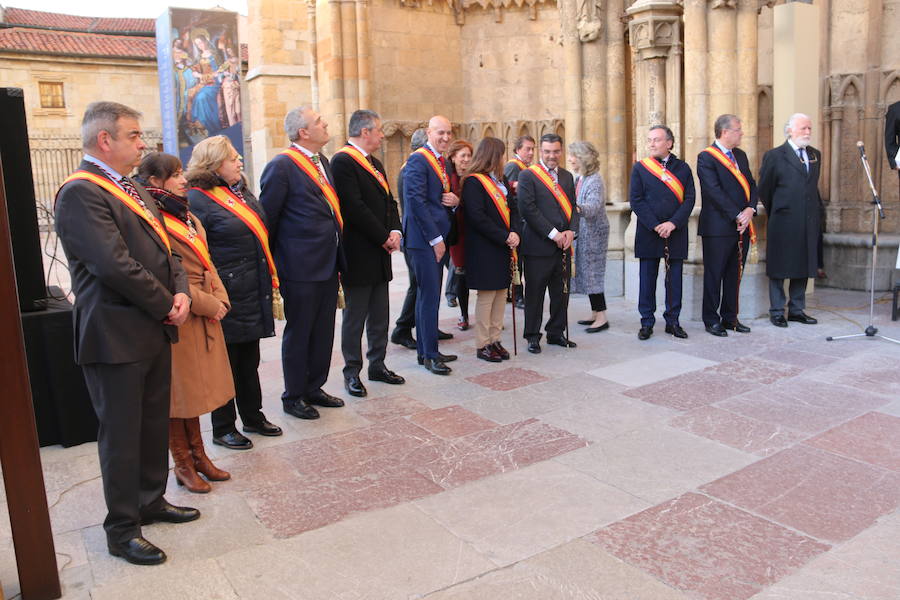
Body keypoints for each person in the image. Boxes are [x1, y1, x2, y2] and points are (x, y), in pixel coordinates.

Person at [55, 101, 198, 566]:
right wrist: (166, 305)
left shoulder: (133, 186)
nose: (142, 144)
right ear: (105, 141)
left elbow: (166, 249)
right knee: (121, 433)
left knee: (152, 422)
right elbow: (112, 265)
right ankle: (121, 527)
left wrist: (180, 293)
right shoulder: (81, 192)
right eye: (134, 135)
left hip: (152, 326)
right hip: (115, 333)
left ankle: (150, 500)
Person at [137, 153, 233, 492]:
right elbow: (166, 274)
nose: (183, 180)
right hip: (182, 312)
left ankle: (199, 455)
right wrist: (207, 304)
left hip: (203, 307)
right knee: (178, 395)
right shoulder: (154, 218)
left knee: (193, 392)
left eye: (181, 173)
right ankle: (182, 462)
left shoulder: (185, 213)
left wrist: (220, 297)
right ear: (155, 182)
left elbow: (207, 261)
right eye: (175, 175)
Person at [187, 137, 283, 448]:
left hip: (250, 288)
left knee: (247, 359)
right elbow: (198, 250)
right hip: (225, 292)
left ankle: (253, 416)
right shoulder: (197, 199)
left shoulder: (238, 190)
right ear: (214, 163)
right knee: (225, 363)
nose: (239, 161)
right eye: (233, 158)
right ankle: (223, 426)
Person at [260, 105, 347, 415]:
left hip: (327, 261)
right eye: (318, 121)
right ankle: (294, 395)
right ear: (303, 132)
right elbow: (267, 219)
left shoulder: (322, 161)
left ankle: (315, 386)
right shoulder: (281, 167)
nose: (325, 124)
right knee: (301, 331)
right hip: (298, 266)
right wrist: (276, 266)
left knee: (323, 329)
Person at [332, 110, 405, 398]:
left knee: (379, 313)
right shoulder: (343, 161)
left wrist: (396, 230)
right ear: (364, 132)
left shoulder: (373, 162)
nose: (381, 135)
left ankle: (378, 364)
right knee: (356, 316)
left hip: (380, 252)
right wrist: (383, 236)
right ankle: (352, 372)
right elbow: (353, 207)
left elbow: (389, 201)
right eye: (378, 130)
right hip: (359, 251)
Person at [402, 115, 460, 374]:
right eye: (440, 133)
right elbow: (415, 202)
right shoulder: (418, 159)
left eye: (448, 133)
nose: (445, 137)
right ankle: (429, 355)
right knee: (428, 297)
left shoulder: (441, 161)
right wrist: (436, 239)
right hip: (424, 240)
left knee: (429, 295)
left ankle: (427, 350)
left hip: (435, 236)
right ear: (428, 132)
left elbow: (436, 196)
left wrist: (452, 200)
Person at [629, 126, 696, 340]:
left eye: (656, 140)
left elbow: (690, 199)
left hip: (675, 232)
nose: (651, 144)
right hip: (650, 232)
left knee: (674, 280)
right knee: (647, 279)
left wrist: (673, 223)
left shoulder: (683, 168)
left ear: (669, 143)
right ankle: (646, 322)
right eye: (649, 140)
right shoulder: (640, 168)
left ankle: (673, 321)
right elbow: (636, 200)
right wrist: (656, 225)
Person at [697, 114, 759, 337]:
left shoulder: (740, 156)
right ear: (725, 132)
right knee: (715, 275)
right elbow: (713, 192)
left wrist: (751, 209)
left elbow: (752, 184)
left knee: (735, 274)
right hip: (717, 228)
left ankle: (730, 318)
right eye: (738, 129)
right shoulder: (706, 157)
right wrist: (737, 215)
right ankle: (711, 319)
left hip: (742, 225)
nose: (741, 133)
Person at [518, 133, 579, 354]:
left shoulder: (566, 176)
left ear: (561, 151)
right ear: (540, 152)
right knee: (534, 293)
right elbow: (528, 209)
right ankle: (532, 336)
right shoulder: (528, 176)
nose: (551, 156)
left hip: (564, 247)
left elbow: (573, 207)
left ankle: (556, 332)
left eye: (555, 151)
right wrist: (554, 234)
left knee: (561, 292)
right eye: (547, 152)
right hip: (538, 246)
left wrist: (572, 231)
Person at [758, 113, 821, 327]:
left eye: (809, 128)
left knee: (803, 264)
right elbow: (765, 189)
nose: (807, 132)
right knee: (780, 266)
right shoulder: (775, 156)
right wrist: (778, 209)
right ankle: (777, 310)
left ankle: (796, 309)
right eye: (803, 128)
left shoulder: (815, 155)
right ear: (790, 130)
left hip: (807, 220)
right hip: (783, 220)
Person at [462, 137, 520, 361]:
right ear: (493, 156)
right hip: (484, 248)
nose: (504, 160)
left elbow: (513, 208)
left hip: (503, 246)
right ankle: (482, 343)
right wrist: (505, 236)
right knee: (487, 296)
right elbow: (477, 218)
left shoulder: (501, 180)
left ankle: (495, 339)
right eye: (502, 155)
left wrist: (514, 232)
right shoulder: (474, 182)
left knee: (501, 294)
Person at [568, 141, 610, 334]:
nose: (570, 159)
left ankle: (602, 317)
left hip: (594, 234)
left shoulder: (595, 180)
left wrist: (574, 208)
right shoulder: (581, 178)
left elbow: (593, 207)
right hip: (584, 232)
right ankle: (595, 312)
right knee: (587, 273)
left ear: (583, 158)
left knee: (594, 274)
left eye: (573, 156)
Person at [504, 135, 535, 309]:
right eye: (527, 149)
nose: (531, 152)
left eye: (532, 149)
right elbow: (509, 194)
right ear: (517, 150)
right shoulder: (513, 166)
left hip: (525, 221)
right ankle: (517, 295)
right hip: (518, 222)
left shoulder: (527, 168)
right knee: (518, 261)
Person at [447, 139, 474, 330]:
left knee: (481, 273)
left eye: (469, 156)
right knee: (461, 274)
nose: (466, 159)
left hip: (475, 231)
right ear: (453, 157)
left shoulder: (474, 177)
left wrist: (460, 202)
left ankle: (486, 314)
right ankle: (464, 315)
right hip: (458, 233)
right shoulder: (448, 178)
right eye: (462, 155)